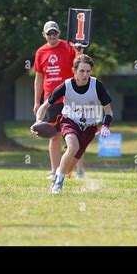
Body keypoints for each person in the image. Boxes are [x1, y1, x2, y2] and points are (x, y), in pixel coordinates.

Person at [34, 55, 113, 194]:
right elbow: (44, 106)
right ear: (74, 71)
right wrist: (38, 121)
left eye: (88, 71)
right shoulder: (66, 85)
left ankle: (59, 173)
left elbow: (109, 111)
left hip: (89, 127)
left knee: (69, 168)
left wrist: (106, 125)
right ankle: (58, 183)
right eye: (82, 71)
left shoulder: (97, 86)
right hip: (69, 121)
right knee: (73, 146)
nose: (85, 74)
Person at [33, 20, 85, 180]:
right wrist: (37, 102)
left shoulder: (69, 47)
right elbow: (39, 78)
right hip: (51, 100)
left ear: (59, 33)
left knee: (75, 135)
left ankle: (79, 172)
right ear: (44, 35)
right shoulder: (40, 52)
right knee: (54, 136)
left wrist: (79, 51)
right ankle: (55, 171)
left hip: (70, 98)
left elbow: (81, 65)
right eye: (49, 33)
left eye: (54, 32)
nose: (52, 35)